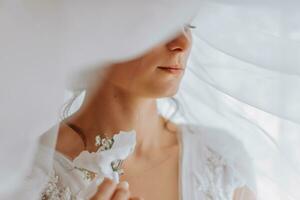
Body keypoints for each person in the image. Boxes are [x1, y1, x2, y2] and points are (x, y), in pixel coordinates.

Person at [38, 24, 256, 200]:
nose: (183, 42)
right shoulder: (26, 171)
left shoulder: (222, 160)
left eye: (188, 24)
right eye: (160, 24)